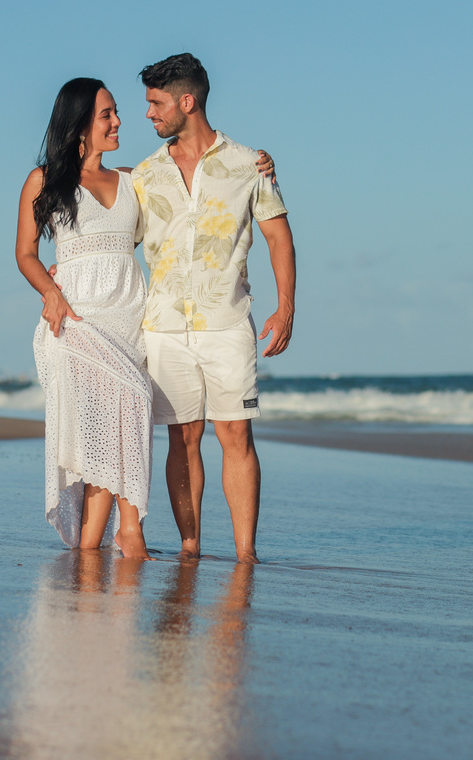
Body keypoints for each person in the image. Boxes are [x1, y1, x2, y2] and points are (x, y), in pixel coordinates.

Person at [131, 53, 296, 564]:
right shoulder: (143, 174)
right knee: (182, 438)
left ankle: (246, 554)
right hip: (162, 326)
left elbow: (278, 237)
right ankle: (190, 545)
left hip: (227, 322)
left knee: (235, 434)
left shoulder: (250, 164)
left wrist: (285, 306)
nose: (148, 114)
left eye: (156, 103)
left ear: (188, 101)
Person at [15, 78, 154, 557]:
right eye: (107, 115)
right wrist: (51, 291)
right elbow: (26, 254)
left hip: (129, 317)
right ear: (79, 125)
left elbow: (190, 168)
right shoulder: (44, 180)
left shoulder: (135, 179)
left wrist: (260, 163)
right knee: (133, 401)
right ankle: (131, 529)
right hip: (73, 320)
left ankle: (89, 549)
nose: (118, 121)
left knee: (107, 441)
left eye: (115, 113)